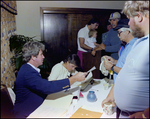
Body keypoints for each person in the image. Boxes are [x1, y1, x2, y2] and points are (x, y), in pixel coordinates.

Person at [12, 41, 87, 118]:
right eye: (41, 54)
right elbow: (47, 87)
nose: (43, 57)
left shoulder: (28, 69)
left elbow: (41, 85)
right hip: (26, 114)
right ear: (33, 57)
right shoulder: (28, 72)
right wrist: (73, 79)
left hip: (35, 108)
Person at [101, 1, 149, 118]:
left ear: (139, 17)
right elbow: (126, 73)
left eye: (129, 19)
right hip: (124, 113)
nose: (128, 23)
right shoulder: (139, 42)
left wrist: (145, 115)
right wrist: (112, 95)